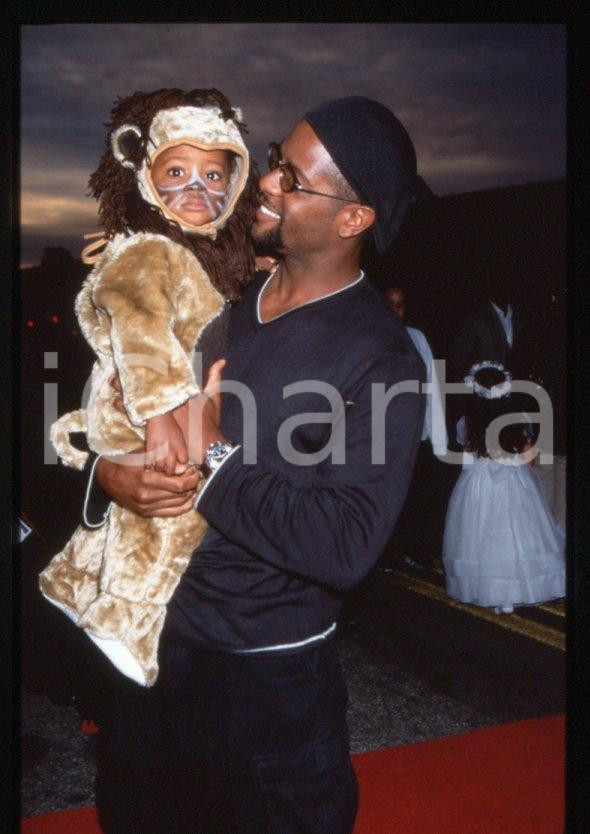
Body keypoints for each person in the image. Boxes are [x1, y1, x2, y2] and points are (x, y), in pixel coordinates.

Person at [86, 96, 426, 833]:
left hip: (263, 684)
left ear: (352, 219)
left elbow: (343, 546)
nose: (265, 182)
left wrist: (212, 452)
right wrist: (108, 475)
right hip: (151, 646)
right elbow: (115, 415)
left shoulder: (381, 358)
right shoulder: (217, 298)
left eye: (293, 179)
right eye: (275, 160)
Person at [38, 87, 259, 687]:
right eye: (178, 172)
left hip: (150, 406)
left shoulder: (187, 251)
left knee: (129, 525)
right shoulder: (152, 248)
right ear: (143, 174)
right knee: (176, 516)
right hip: (149, 409)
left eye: (215, 174)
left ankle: (69, 582)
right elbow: (137, 326)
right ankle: (123, 623)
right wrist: (165, 416)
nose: (198, 188)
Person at [442, 361, 565, 615]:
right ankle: (512, 593)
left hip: (477, 483)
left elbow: (466, 457)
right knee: (514, 537)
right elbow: (528, 456)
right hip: (513, 479)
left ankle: (490, 591)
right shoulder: (518, 419)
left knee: (482, 537)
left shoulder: (466, 423)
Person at [381, 286, 448, 571]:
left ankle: (412, 550)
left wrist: (438, 436)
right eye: (390, 304)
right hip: (383, 438)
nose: (396, 311)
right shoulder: (370, 334)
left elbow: (432, 385)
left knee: (416, 498)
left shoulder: (417, 338)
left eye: (401, 305)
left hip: (416, 435)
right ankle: (386, 555)